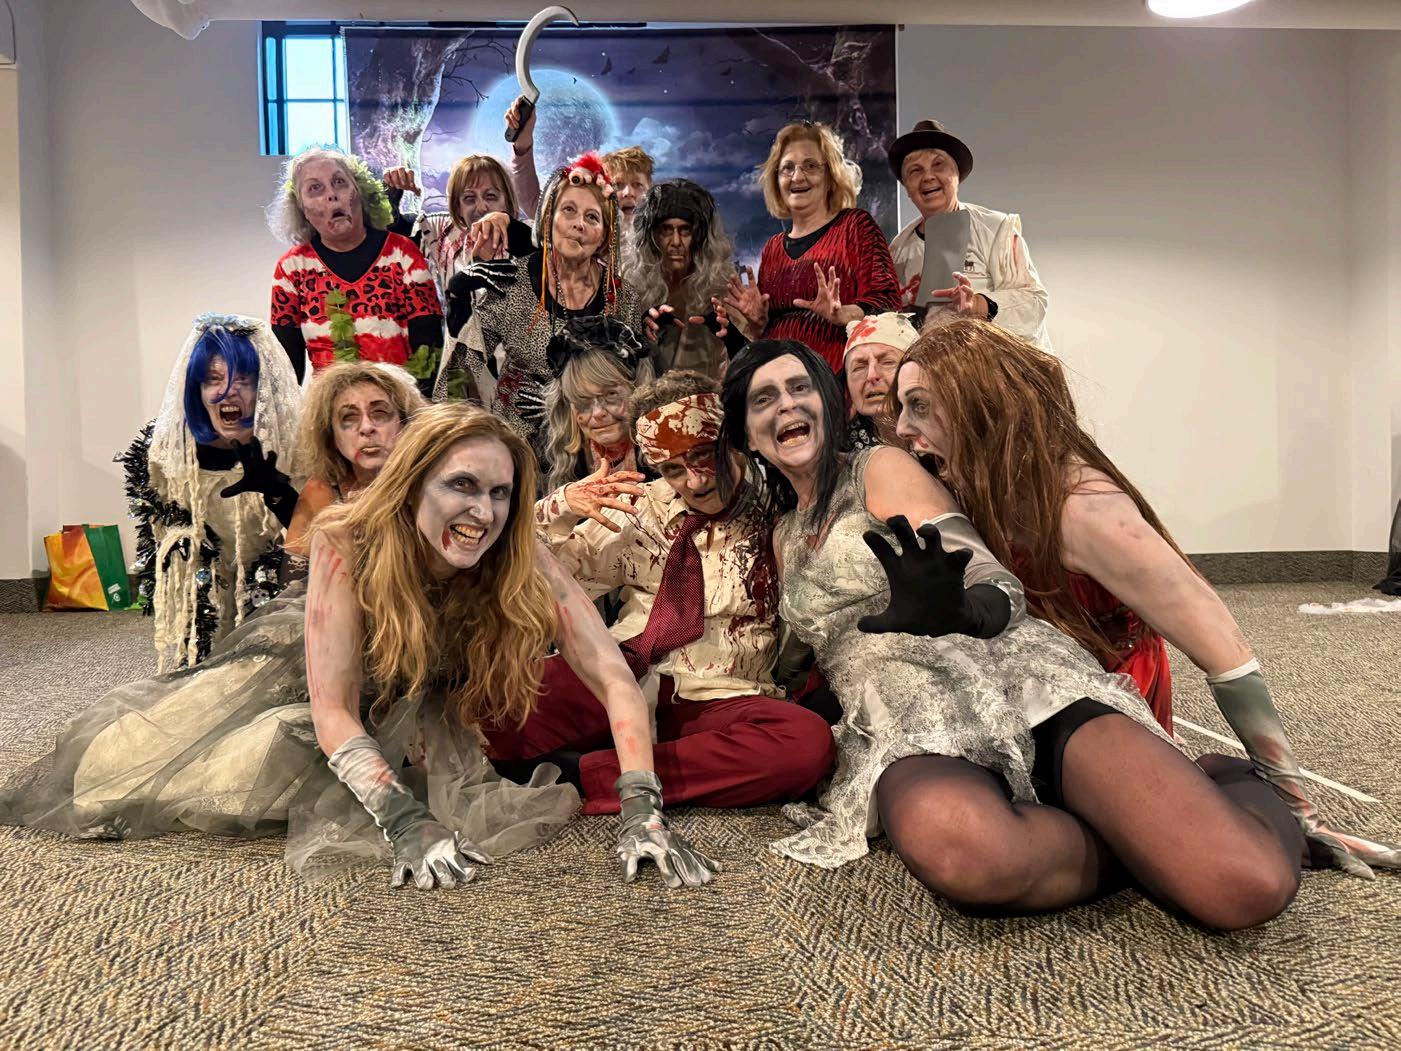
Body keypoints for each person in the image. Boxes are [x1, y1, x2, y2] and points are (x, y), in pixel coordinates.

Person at [1, 405, 718, 891]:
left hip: (415, 702)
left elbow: (611, 674)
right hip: (300, 681)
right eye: (461, 485)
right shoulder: (347, 538)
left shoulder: (515, 547)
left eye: (501, 492)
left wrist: (642, 807)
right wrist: (404, 821)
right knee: (119, 774)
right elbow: (333, 705)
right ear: (412, 485)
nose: (484, 512)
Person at [718, 339, 1305, 930]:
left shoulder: (880, 468)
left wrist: (963, 610)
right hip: (901, 718)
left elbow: (994, 580)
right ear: (746, 435)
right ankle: (1142, 840)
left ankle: (1226, 779)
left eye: (800, 387)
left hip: (1010, 673)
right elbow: (797, 657)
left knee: (1243, 887)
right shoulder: (783, 536)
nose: (787, 405)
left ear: (828, 401)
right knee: (965, 850)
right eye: (764, 398)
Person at [891, 318, 1401, 878]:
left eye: (920, 406)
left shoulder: (1082, 508)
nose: (903, 427)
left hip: (1108, 690)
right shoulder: (978, 482)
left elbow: (1225, 651)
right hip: (1040, 678)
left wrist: (1299, 811)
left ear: (979, 401)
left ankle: (1229, 786)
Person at [510, 370, 835, 813]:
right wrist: (560, 506)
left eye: (704, 456)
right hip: (622, 673)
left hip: (722, 697)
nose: (696, 481)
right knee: (489, 714)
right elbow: (531, 575)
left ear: (731, 440)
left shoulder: (780, 505)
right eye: (673, 469)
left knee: (806, 745)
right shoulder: (639, 506)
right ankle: (627, 754)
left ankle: (588, 774)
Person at [116, 314, 302, 671]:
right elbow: (158, 524)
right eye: (214, 379)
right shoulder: (172, 455)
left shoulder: (291, 448)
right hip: (208, 596)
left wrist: (280, 496)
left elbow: (313, 537)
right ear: (197, 390)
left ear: (262, 389)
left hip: (274, 593)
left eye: (243, 380)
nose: (228, 391)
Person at [435, 153, 645, 455]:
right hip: (521, 450)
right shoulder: (511, 282)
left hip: (598, 449)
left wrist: (561, 405)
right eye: (569, 210)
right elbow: (459, 375)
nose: (579, 224)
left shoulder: (622, 298)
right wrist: (458, 301)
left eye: (592, 217)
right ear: (548, 220)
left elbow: (636, 386)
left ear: (603, 236)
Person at [722, 122, 899, 374]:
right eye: (787, 168)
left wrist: (842, 314)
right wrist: (758, 322)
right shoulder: (772, 248)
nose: (797, 177)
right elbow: (769, 331)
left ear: (831, 177)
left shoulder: (855, 226)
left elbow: (888, 302)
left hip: (836, 378)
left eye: (811, 166)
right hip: (779, 377)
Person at [267, 146, 443, 392]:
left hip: (400, 403)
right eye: (315, 188)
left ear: (359, 191)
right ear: (302, 209)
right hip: (330, 407)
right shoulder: (292, 268)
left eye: (339, 182)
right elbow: (287, 368)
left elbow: (429, 349)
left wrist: (419, 410)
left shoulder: (402, 253)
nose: (331, 195)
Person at [886, 119, 1052, 351]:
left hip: (995, 365)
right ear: (906, 187)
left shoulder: (997, 230)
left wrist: (978, 305)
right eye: (915, 170)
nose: (928, 177)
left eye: (938, 165)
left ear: (957, 174)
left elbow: (1034, 304)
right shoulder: (899, 249)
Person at [283, 360, 426, 562]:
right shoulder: (322, 491)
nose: (366, 428)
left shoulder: (429, 482)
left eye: (379, 413)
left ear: (405, 423)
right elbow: (295, 576)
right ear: (331, 435)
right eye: (349, 417)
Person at [630, 179, 745, 379]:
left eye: (685, 230)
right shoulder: (631, 288)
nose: (676, 242)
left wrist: (735, 337)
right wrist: (638, 332)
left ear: (700, 237)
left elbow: (747, 360)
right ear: (652, 237)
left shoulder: (722, 289)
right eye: (666, 230)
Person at [380, 155, 535, 294]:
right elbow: (393, 231)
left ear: (506, 201)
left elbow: (544, 255)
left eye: (491, 196)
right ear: (458, 207)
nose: (482, 207)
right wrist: (389, 195)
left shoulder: (529, 233)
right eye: (469, 198)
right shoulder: (442, 233)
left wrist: (514, 229)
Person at [539, 316, 649, 495]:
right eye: (582, 400)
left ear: (637, 390)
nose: (598, 413)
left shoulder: (670, 449)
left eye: (611, 395)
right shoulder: (552, 459)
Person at [841, 311, 920, 449]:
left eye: (887, 362)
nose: (871, 375)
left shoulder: (950, 434)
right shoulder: (842, 448)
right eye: (859, 367)